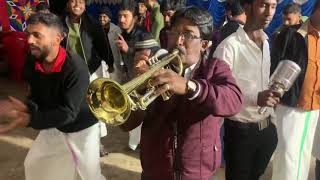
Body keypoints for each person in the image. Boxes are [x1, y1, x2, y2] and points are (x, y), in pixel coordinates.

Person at [121, 6, 243, 180]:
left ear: (204, 44)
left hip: (198, 174)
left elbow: (234, 101)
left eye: (188, 35)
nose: (178, 41)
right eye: (174, 32)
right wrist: (139, 89)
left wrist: (190, 87)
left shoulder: (214, 68)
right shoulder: (156, 68)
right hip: (155, 173)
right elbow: (126, 125)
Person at [0, 12, 105, 180]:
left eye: (37, 35)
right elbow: (37, 96)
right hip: (56, 125)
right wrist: (27, 107)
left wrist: (29, 119)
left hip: (83, 129)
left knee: (89, 175)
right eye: (29, 34)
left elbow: (68, 113)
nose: (29, 41)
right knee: (35, 164)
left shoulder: (76, 68)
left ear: (57, 39)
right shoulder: (32, 60)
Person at [213, 0, 279, 179]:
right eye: (264, 5)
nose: (269, 12)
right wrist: (255, 97)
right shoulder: (229, 46)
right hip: (240, 133)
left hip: (266, 130)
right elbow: (219, 94)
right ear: (248, 6)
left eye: (273, 6)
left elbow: (263, 83)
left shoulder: (266, 43)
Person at [271, 1, 320, 180]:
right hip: (291, 105)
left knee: (304, 156)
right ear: (316, 10)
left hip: (315, 107)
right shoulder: (291, 34)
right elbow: (275, 67)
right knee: (288, 155)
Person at [61, 0, 111, 156]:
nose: (77, 4)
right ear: (67, 4)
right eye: (74, 1)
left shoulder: (92, 24)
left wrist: (110, 63)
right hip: (68, 74)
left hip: (90, 72)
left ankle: (97, 144)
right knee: (71, 107)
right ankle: (71, 144)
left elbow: (104, 46)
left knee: (95, 107)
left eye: (81, 1)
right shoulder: (59, 23)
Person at [99, 6, 126, 84]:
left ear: (109, 18)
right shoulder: (97, 30)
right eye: (100, 17)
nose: (101, 19)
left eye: (104, 17)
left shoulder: (116, 30)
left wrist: (122, 63)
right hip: (103, 64)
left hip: (116, 63)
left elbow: (120, 49)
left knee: (116, 84)